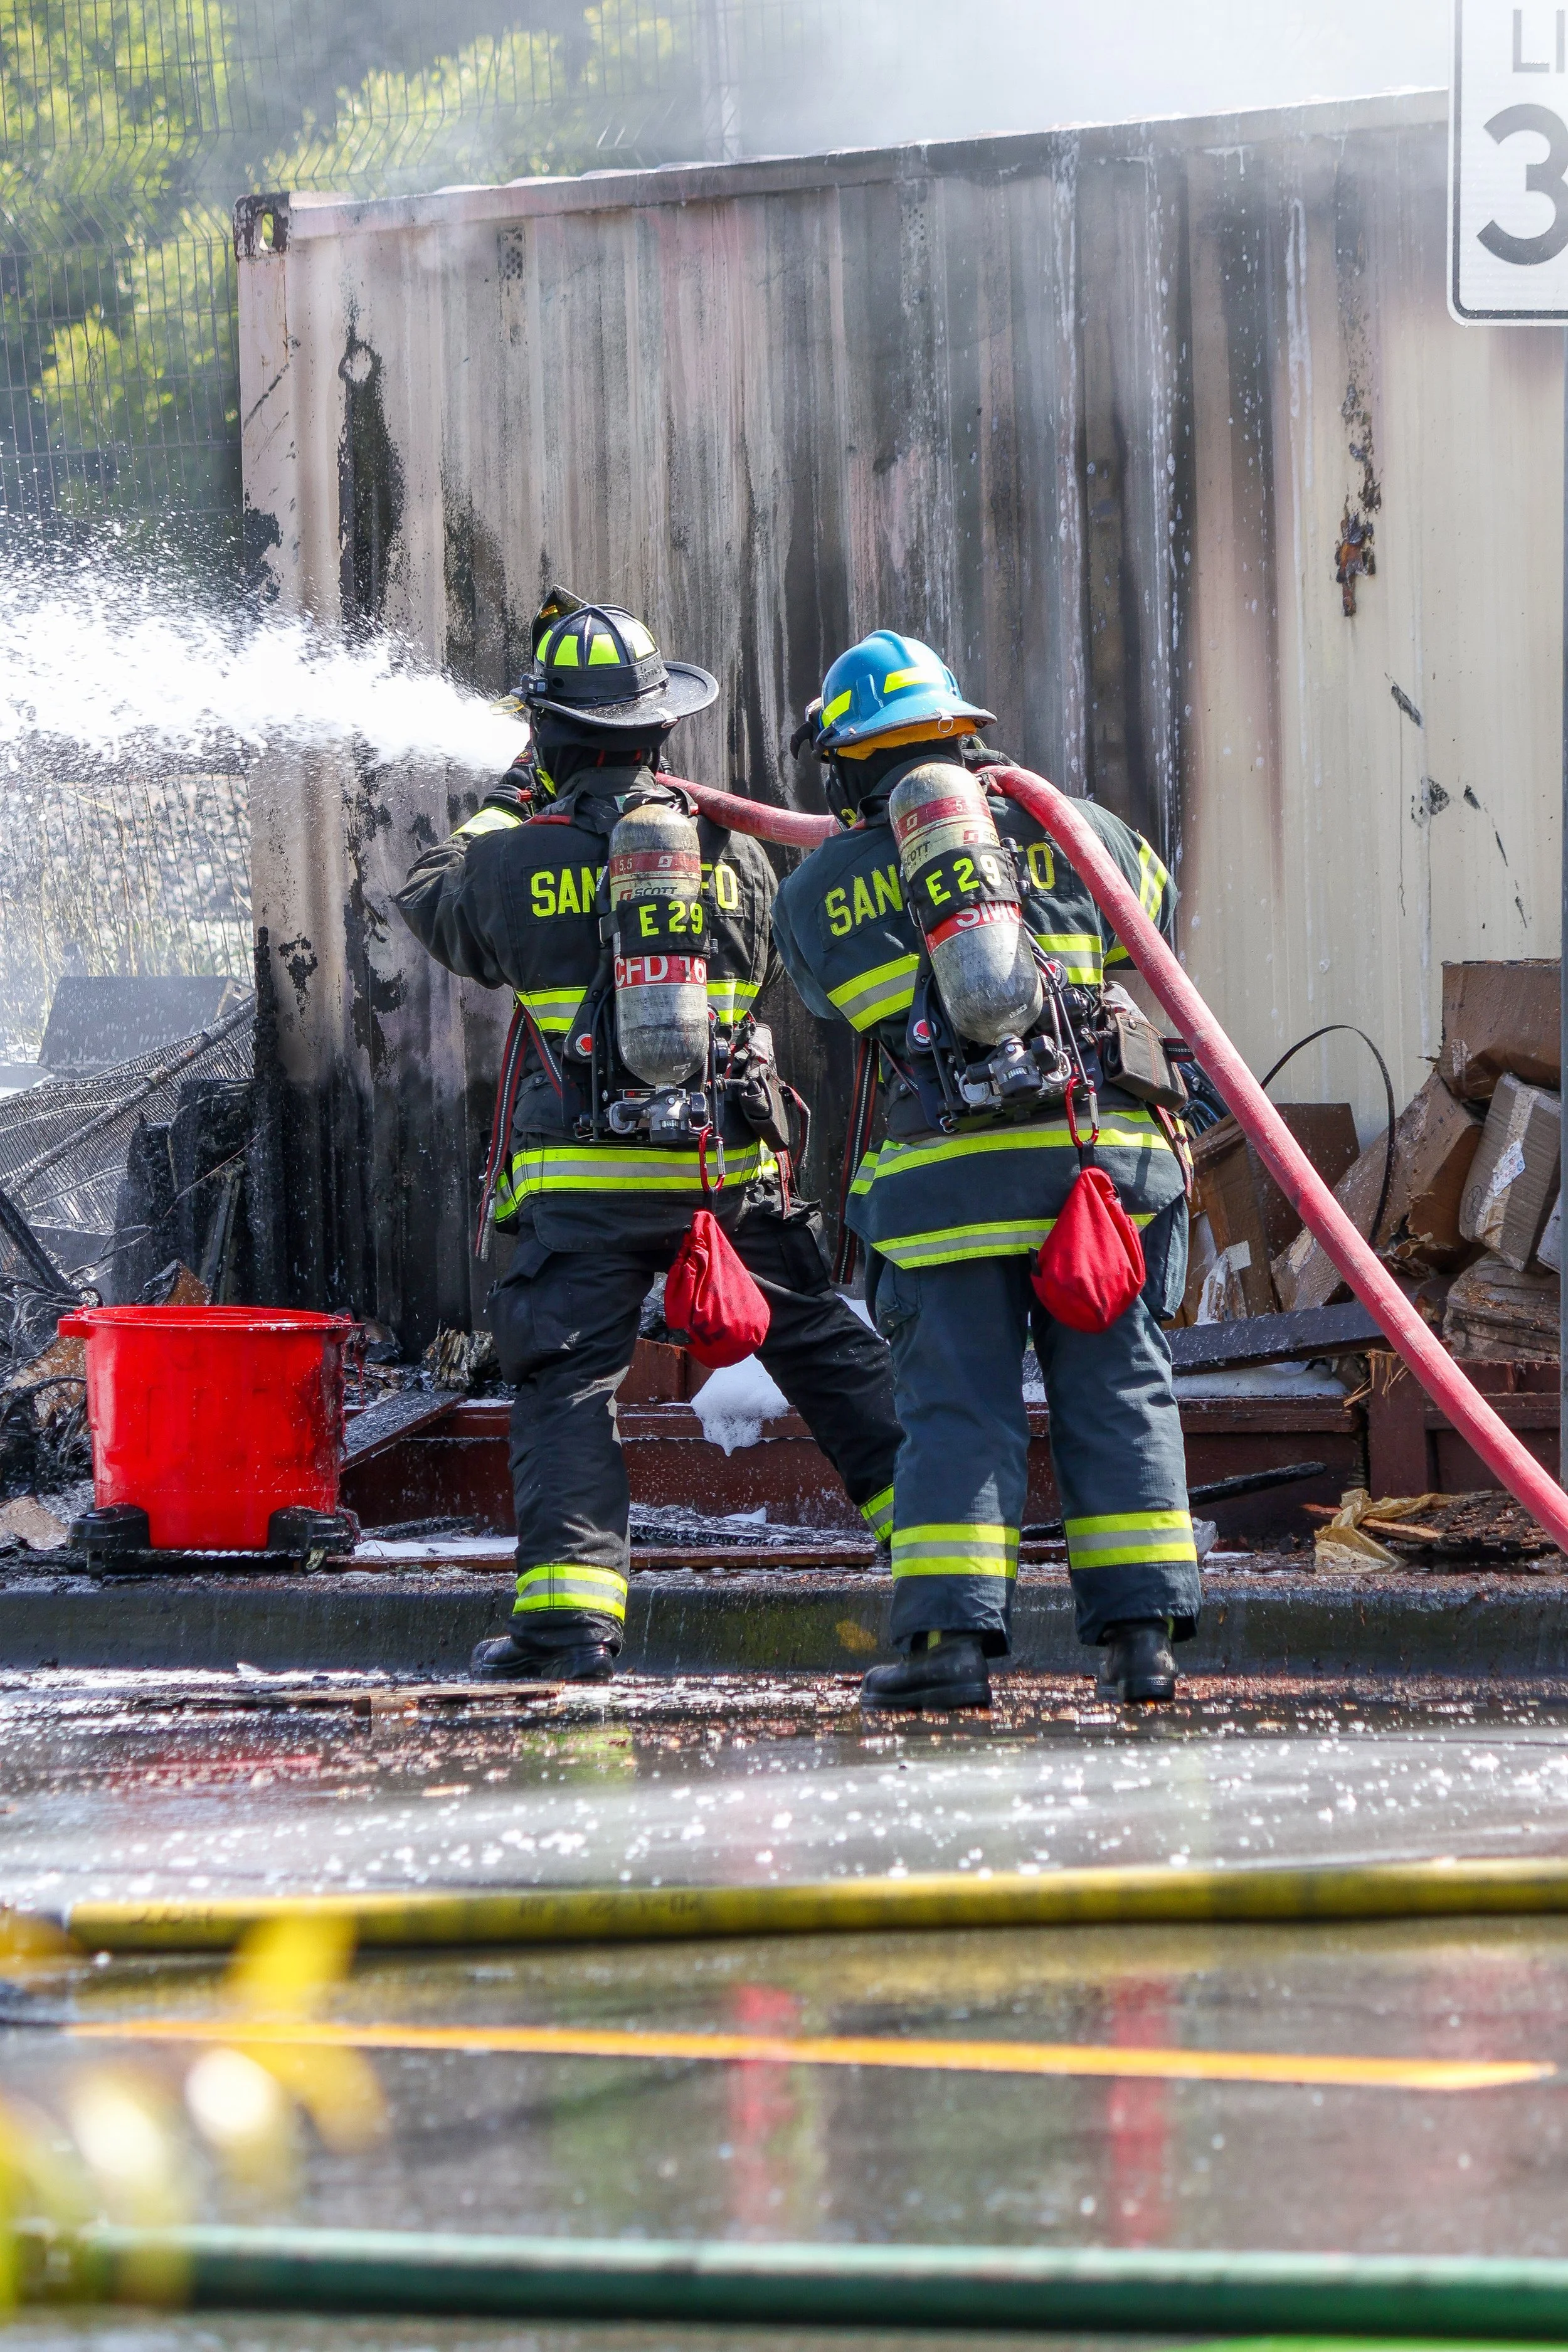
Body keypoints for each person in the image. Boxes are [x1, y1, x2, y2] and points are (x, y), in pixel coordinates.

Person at [395, 588, 901, 1682]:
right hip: (726, 1168)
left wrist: (509, 797)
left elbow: (428, 894)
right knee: (817, 1341)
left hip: (583, 1188)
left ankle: (569, 1625)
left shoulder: (513, 861)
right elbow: (769, 968)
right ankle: (943, 1546)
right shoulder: (738, 855)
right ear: (660, 728)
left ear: (550, 736)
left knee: (568, 1380)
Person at [771, 630, 1199, 1710]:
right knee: (1118, 1391)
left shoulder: (820, 889)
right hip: (1098, 1174)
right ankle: (1141, 1647)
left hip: (947, 1193)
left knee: (959, 1409)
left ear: (848, 763)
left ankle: (948, 1648)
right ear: (964, 732)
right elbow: (1150, 911)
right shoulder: (1083, 826)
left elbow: (825, 998)